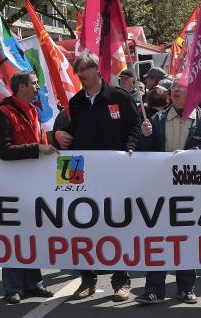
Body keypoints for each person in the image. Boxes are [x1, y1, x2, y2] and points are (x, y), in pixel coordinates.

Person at [54, 52, 141, 302]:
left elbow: (134, 126)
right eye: (77, 71)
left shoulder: (119, 97)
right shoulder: (77, 101)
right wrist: (57, 136)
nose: (80, 75)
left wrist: (131, 146)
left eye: (83, 70)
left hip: (113, 171)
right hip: (80, 171)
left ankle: (121, 282)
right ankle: (87, 280)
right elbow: (67, 130)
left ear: (96, 69)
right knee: (83, 225)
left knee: (115, 224)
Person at [135, 75, 201, 305]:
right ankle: (154, 289)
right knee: (158, 237)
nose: (175, 90)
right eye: (173, 87)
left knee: (187, 238)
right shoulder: (157, 119)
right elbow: (145, 152)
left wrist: (188, 156)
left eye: (181, 88)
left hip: (192, 189)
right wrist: (145, 137)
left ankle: (186, 288)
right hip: (161, 189)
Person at [0, 71, 56, 304]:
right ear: (21, 87)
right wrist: (36, 149)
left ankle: (33, 283)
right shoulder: (3, 115)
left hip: (34, 184)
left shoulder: (33, 111)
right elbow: (3, 151)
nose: (37, 87)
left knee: (32, 236)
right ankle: (12, 287)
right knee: (13, 237)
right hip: (11, 186)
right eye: (34, 84)